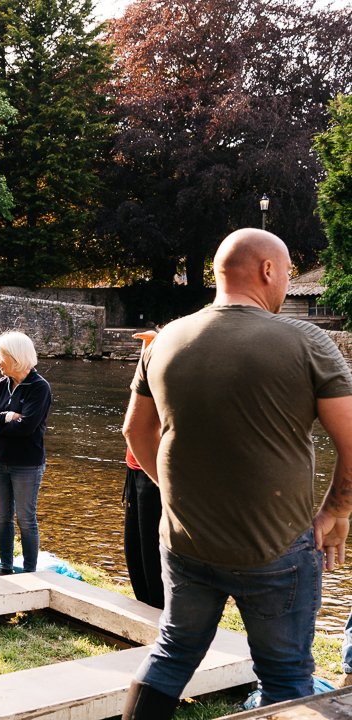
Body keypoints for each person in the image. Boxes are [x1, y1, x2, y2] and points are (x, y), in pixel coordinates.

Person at [120, 228, 352, 718]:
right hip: (276, 550)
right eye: (288, 272)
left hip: (186, 543)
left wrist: (175, 497)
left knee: (171, 654)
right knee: (286, 674)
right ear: (268, 270)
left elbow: (135, 435)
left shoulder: (164, 341)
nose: (288, 283)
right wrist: (337, 510)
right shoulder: (307, 341)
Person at [0, 331, 52, 575]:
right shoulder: (1, 385)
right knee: (2, 518)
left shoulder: (39, 388)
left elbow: (27, 427)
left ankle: (30, 572)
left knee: (26, 520)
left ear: (16, 357)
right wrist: (8, 417)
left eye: (1, 356)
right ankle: (6, 568)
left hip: (26, 463)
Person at [122, 329, 163, 609]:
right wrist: (146, 352)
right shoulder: (151, 371)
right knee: (135, 550)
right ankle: (146, 612)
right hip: (134, 468)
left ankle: (160, 618)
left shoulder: (176, 375)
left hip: (156, 476)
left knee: (153, 554)